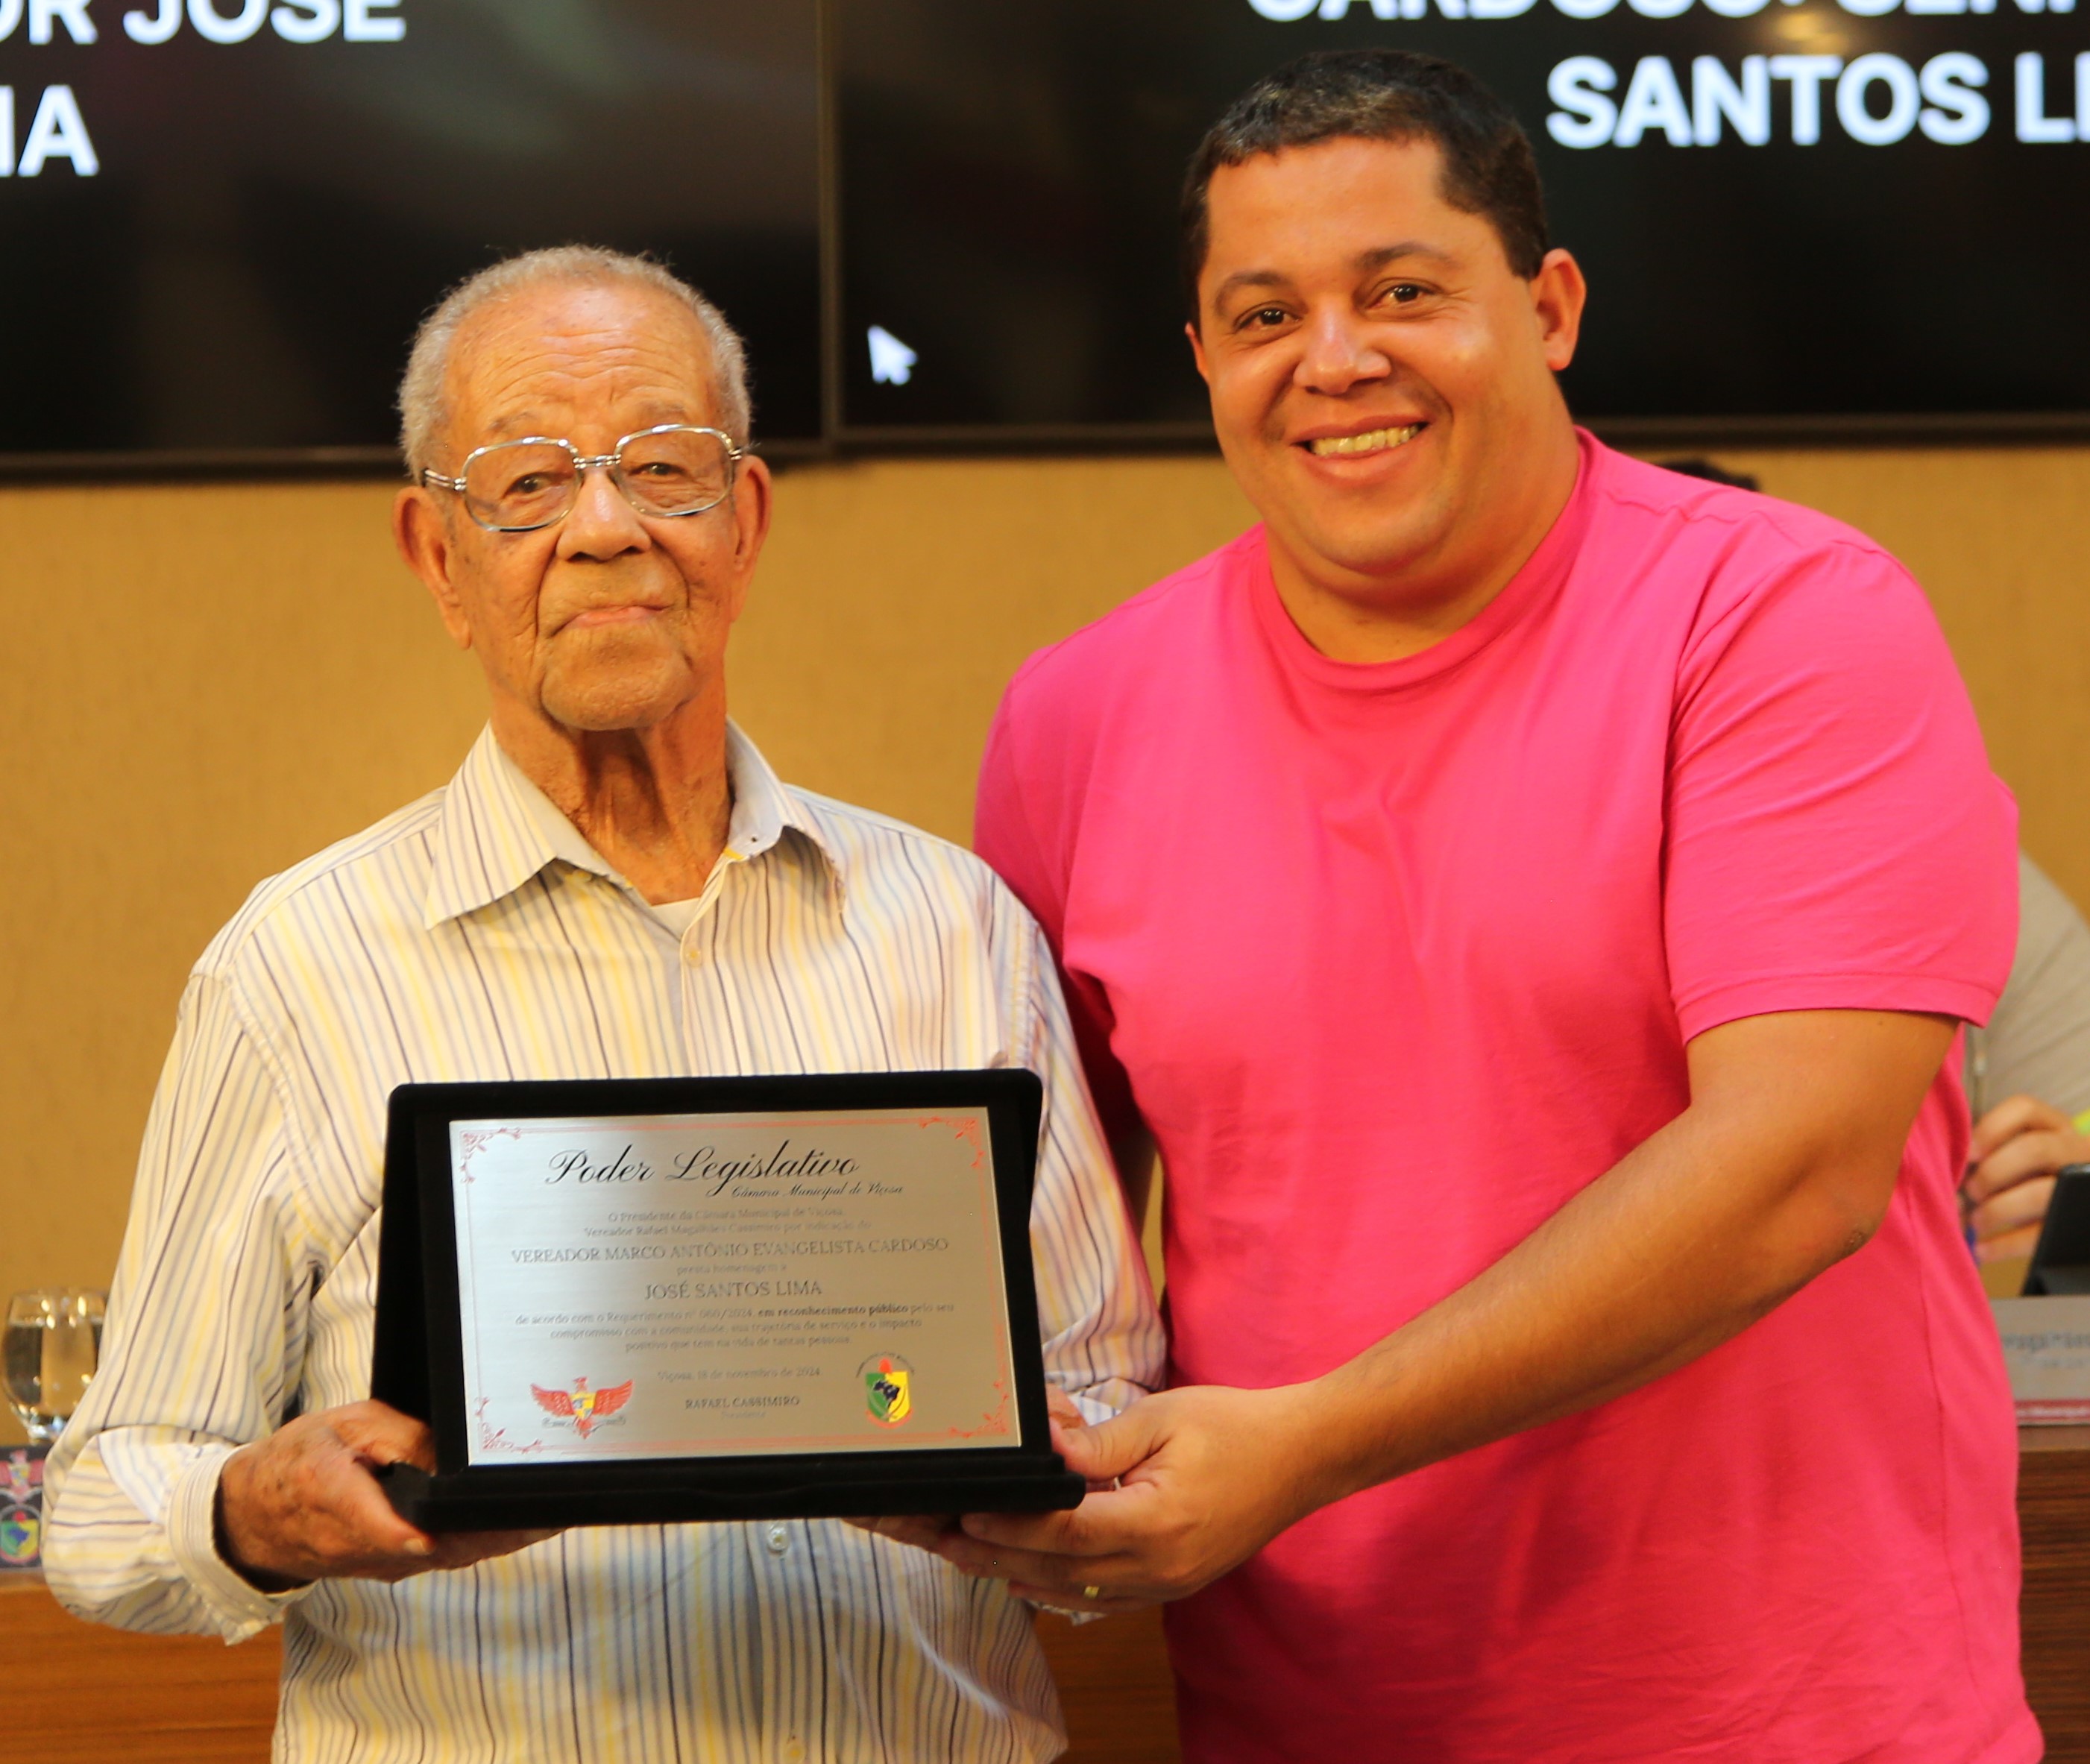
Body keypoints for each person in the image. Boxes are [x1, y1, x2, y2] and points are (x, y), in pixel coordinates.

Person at [939, 48, 2029, 1764]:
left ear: (1550, 307)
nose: (1335, 359)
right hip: (1311, 1720)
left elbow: (1797, 1173)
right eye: (1265, 314)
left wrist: (1304, 1444)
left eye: (1400, 291)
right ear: (1204, 357)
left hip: (1800, 1717)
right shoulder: (1074, 716)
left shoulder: (1785, 622)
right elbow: (1040, 1239)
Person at [43, 247, 1161, 1762]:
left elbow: (1109, 1412)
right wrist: (257, 1509)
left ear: (744, 521)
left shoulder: (957, 931)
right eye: (524, 482)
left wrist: (1039, 1480)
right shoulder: (295, 968)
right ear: (438, 557)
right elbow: (99, 1509)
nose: (604, 525)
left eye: (661, 464)